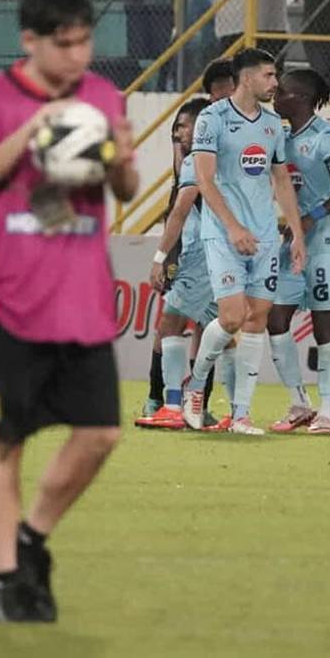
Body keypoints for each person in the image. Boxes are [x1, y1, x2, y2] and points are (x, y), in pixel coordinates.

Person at [0, 0, 138, 622]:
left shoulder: (103, 96)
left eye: (86, 41)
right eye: (65, 44)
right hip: (5, 300)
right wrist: (35, 132)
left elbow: (129, 184)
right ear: (30, 40)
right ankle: (5, 583)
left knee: (102, 433)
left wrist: (111, 151)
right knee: (5, 441)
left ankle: (31, 540)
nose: (79, 55)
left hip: (82, 299)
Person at [180, 48, 306, 434]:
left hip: (265, 233)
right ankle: (196, 386)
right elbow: (204, 180)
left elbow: (281, 178)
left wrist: (296, 232)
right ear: (247, 79)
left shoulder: (273, 123)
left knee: (257, 319)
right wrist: (233, 227)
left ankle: (242, 414)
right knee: (233, 316)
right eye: (269, 76)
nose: (275, 83)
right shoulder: (212, 120)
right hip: (223, 233)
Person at [138, 60, 236, 420]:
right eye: (176, 127)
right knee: (208, 331)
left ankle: (171, 402)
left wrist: (162, 256)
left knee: (174, 325)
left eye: (184, 126)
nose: (178, 133)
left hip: (203, 250)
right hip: (206, 247)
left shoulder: (209, 151)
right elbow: (176, 206)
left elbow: (182, 208)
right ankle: (196, 405)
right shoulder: (202, 151)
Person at [266, 69, 330, 435]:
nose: (276, 93)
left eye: (283, 90)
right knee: (276, 319)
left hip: (328, 241)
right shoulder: (283, 137)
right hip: (295, 240)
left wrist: (310, 217)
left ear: (301, 98)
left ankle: (328, 411)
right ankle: (299, 403)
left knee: (324, 323)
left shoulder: (326, 137)